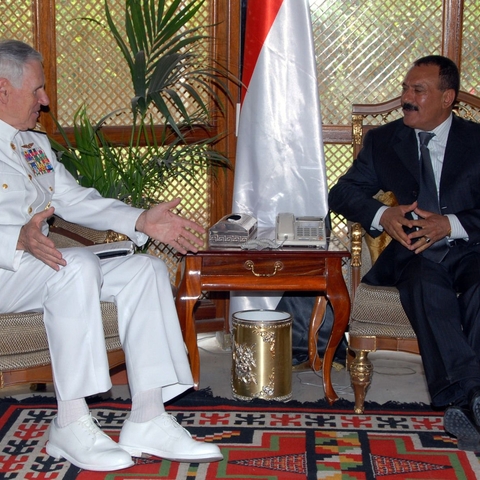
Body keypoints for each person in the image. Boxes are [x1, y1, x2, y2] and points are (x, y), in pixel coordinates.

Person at [0, 39, 223, 471]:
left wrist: (141, 220)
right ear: (2, 89)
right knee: (77, 266)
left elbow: (74, 199)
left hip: (40, 268)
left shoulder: (32, 145)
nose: (45, 101)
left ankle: (148, 416)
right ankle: (70, 421)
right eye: (38, 90)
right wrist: (17, 238)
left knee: (146, 270)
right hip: (5, 269)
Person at [329, 55, 480, 452]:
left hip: (471, 248)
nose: (405, 99)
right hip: (414, 254)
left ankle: (468, 401)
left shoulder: (477, 141)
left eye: (418, 91)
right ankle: (475, 398)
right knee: (423, 285)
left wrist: (451, 224)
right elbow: (341, 193)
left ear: (447, 98)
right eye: (404, 89)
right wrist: (383, 213)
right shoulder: (385, 140)